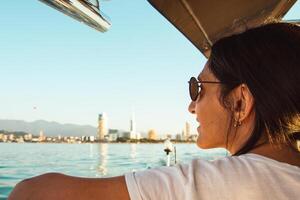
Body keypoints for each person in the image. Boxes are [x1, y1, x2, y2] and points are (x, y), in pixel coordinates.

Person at [8, 22, 300, 200]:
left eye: (197, 88)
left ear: (240, 102)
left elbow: (32, 194)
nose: (191, 105)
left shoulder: (213, 183)